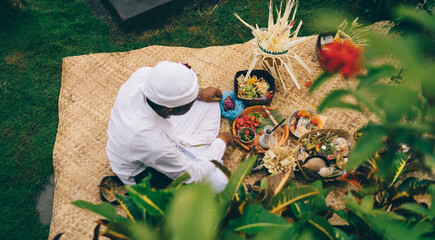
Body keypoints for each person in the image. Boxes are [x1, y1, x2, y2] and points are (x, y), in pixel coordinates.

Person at [106, 61, 234, 193]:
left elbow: (168, 88)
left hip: (156, 136)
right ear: (172, 108)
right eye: (189, 102)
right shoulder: (151, 140)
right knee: (221, 182)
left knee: (210, 104)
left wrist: (200, 95)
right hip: (145, 171)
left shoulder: (143, 74)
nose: (193, 101)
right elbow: (193, 176)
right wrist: (221, 142)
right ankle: (204, 152)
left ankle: (200, 152)